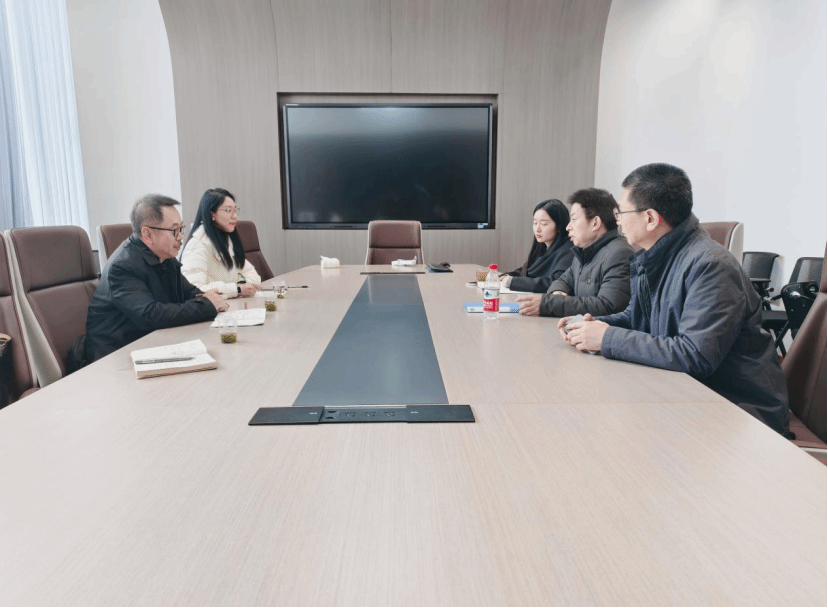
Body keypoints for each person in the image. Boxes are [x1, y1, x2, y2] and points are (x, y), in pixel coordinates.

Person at [560, 163, 788, 435]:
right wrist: (593, 325)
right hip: (686, 395)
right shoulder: (653, 256)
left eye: (621, 212)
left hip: (739, 411)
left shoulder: (711, 266)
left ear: (650, 219)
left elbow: (695, 355)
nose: (617, 219)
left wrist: (606, 338)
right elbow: (636, 317)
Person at [85, 194, 228, 363]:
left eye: (181, 229)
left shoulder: (165, 258)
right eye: (174, 230)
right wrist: (207, 305)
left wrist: (208, 298)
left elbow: (189, 292)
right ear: (147, 235)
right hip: (113, 357)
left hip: (150, 344)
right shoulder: (122, 266)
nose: (180, 237)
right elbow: (151, 315)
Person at [515, 188, 633, 317]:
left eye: (574, 219)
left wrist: (552, 304)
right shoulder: (584, 251)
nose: (568, 227)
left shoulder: (619, 254)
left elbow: (608, 306)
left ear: (595, 223)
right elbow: (563, 280)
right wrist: (557, 293)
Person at [180, 188, 261, 297]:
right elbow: (194, 290)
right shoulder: (197, 245)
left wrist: (240, 287)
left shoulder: (226, 240)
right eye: (228, 210)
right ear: (212, 214)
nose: (234, 216)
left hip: (230, 304)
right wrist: (236, 289)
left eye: (235, 210)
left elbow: (253, 275)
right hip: (210, 307)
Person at [501, 199, 573, 293]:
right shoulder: (543, 246)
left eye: (544, 224)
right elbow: (526, 271)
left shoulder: (568, 250)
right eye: (535, 223)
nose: (537, 229)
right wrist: (505, 276)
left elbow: (557, 282)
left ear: (559, 226)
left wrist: (513, 282)